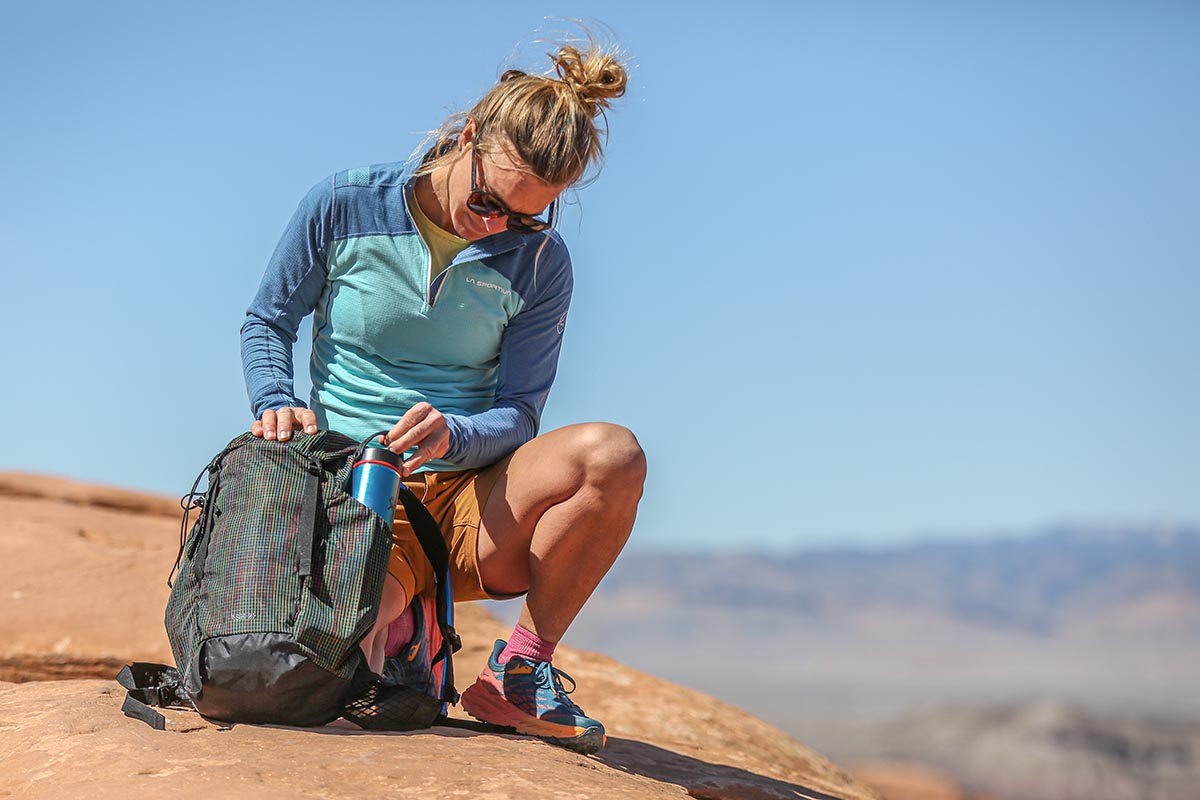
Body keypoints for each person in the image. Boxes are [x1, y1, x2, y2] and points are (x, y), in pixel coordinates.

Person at [238, 40, 644, 755]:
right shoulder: (344, 203)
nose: (495, 226)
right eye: (488, 201)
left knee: (612, 456)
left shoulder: (541, 263)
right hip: (358, 490)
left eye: (524, 217)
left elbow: (520, 413)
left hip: (469, 502)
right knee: (337, 679)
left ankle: (519, 669)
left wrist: (454, 437)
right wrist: (276, 397)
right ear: (465, 141)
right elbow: (268, 320)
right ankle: (394, 622)